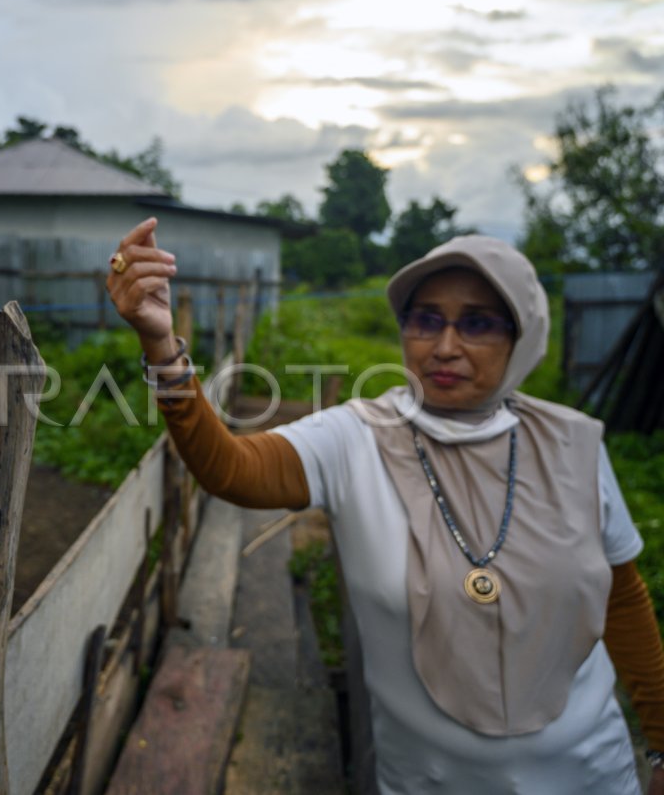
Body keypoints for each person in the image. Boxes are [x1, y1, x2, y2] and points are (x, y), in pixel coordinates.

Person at [105, 217, 664, 794]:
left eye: (478, 323)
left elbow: (622, 599)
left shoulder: (573, 444)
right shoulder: (357, 438)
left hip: (592, 777)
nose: (445, 347)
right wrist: (161, 345)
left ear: (521, 338)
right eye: (425, 320)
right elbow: (229, 468)